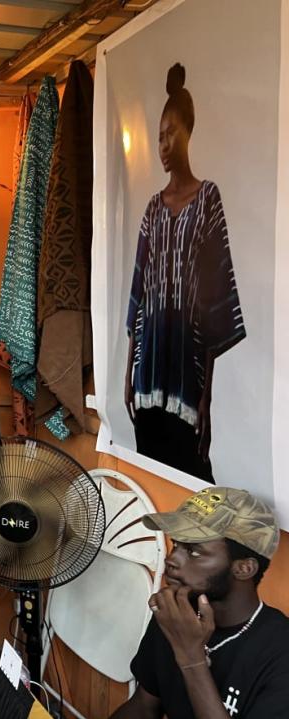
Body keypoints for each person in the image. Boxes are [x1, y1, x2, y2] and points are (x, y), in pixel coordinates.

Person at [124, 63, 245, 484]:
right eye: (158, 136)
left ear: (188, 132)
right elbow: (138, 296)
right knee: (152, 478)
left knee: (193, 479)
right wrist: (128, 374)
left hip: (187, 375)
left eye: (170, 133)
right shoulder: (153, 209)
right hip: (148, 374)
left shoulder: (208, 199)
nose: (163, 144)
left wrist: (207, 397)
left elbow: (215, 306)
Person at [110, 487, 289, 719]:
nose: (171, 559)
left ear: (244, 568)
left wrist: (191, 658)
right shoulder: (178, 613)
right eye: (177, 545)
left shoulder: (279, 654)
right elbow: (145, 704)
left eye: (194, 552)